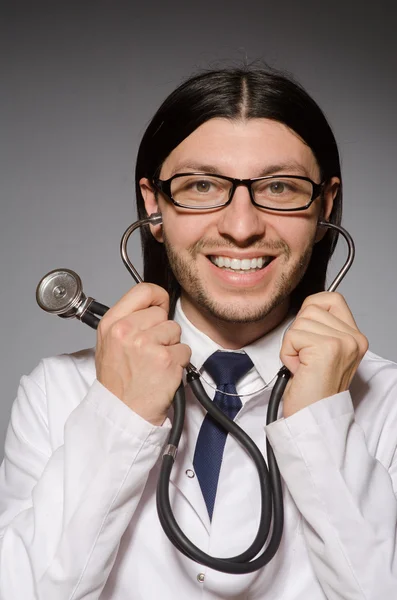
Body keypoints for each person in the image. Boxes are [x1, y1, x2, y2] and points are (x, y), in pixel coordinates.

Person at [1, 65, 396, 600]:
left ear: (325, 205)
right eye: (202, 185)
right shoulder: (56, 394)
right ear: (154, 205)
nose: (240, 226)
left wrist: (323, 426)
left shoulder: (388, 405)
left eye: (279, 187)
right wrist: (119, 417)